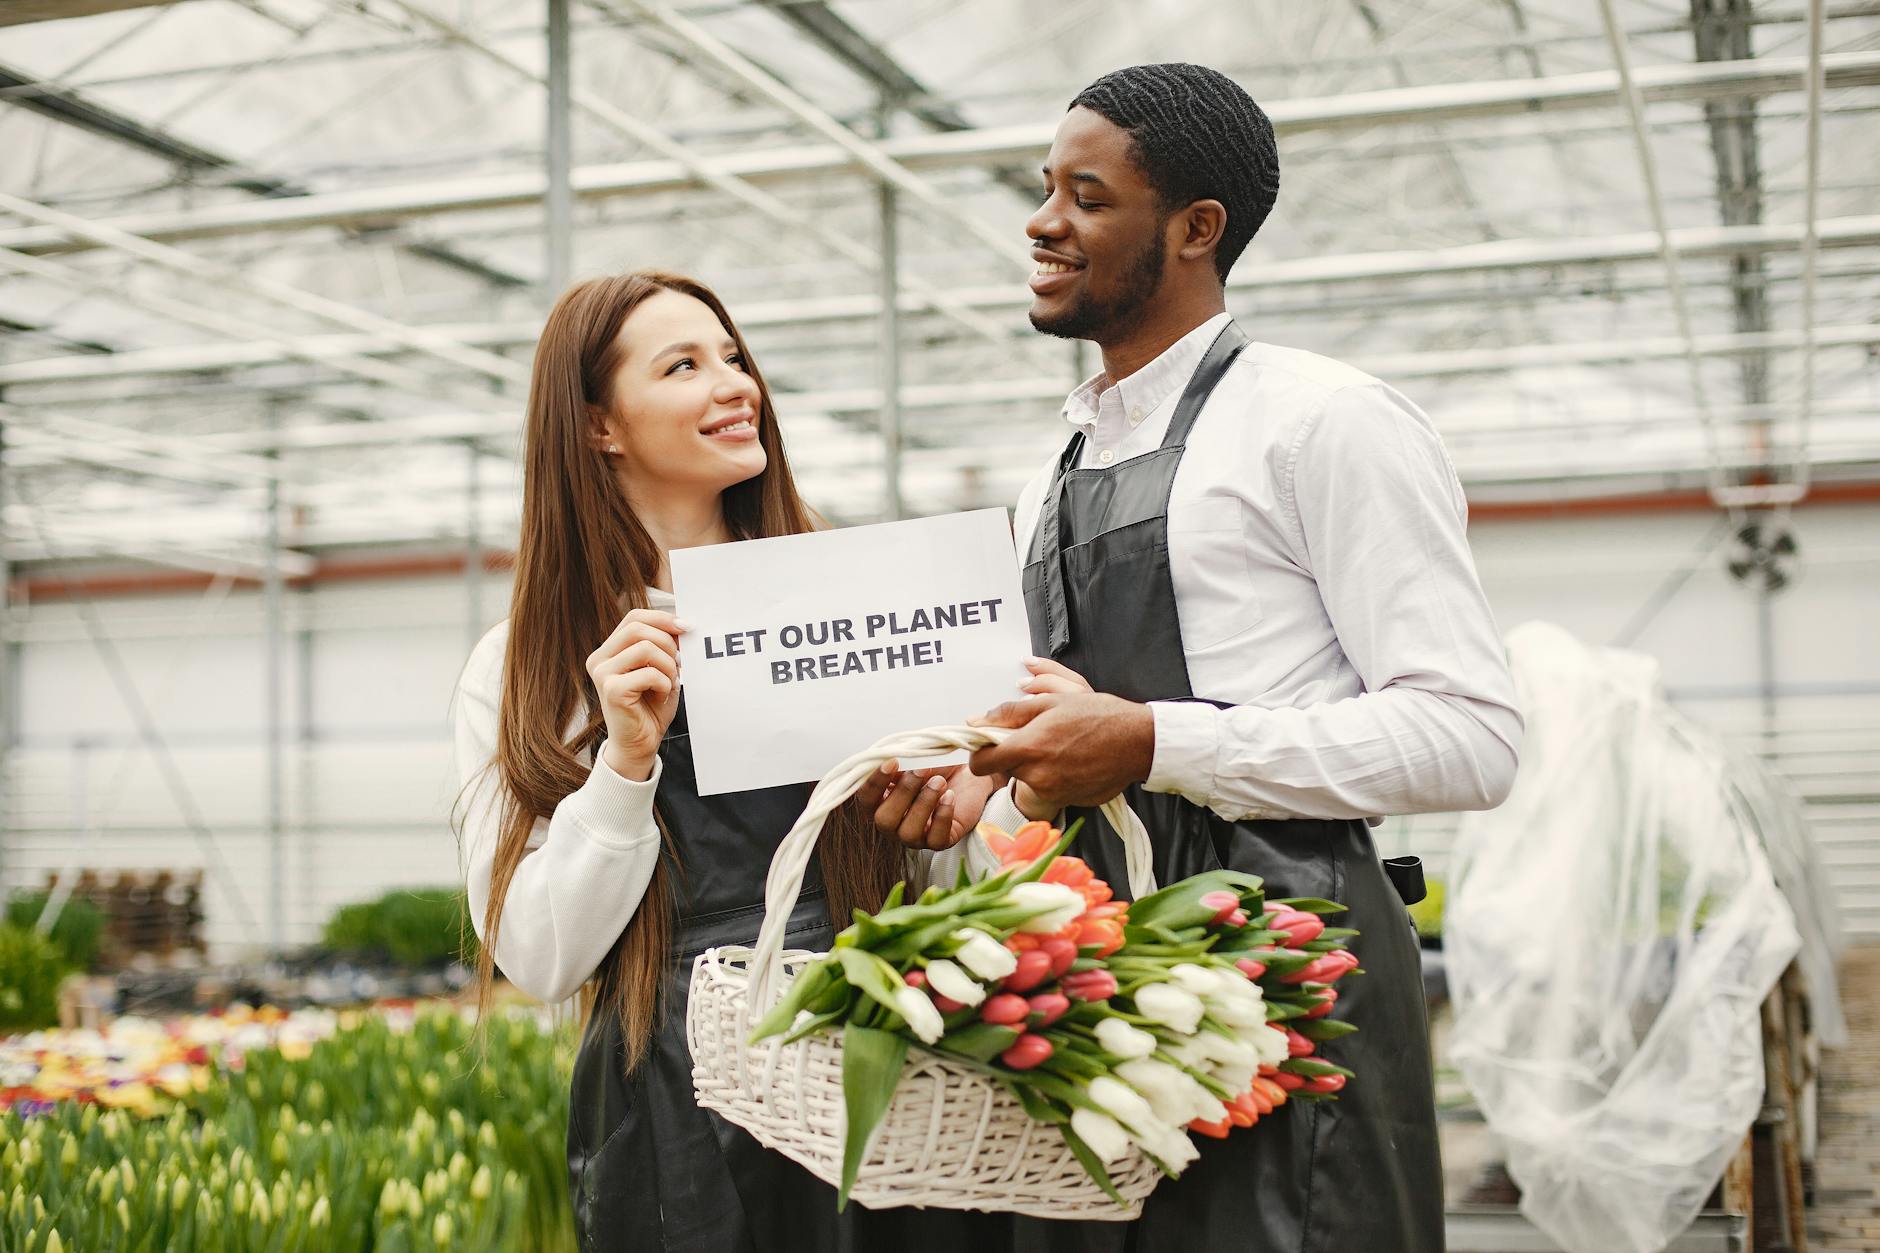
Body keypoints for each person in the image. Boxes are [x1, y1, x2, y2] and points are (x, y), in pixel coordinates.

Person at [866, 64, 1521, 1252]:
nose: (1039, 221)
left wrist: (1151, 738)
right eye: (1042, 190)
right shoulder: (1050, 469)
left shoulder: (1323, 421)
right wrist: (988, 781)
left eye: (1083, 194)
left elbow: (1471, 733)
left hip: (1286, 951)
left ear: (1193, 229)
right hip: (1089, 963)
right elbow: (1053, 735)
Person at [452, 270, 1001, 1251]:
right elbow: (539, 958)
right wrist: (623, 759)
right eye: (684, 364)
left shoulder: (850, 604)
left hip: (884, 1067)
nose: (734, 382)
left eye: (735, 357)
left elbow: (952, 873)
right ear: (597, 427)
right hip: (676, 1114)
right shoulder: (524, 664)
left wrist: (948, 816)